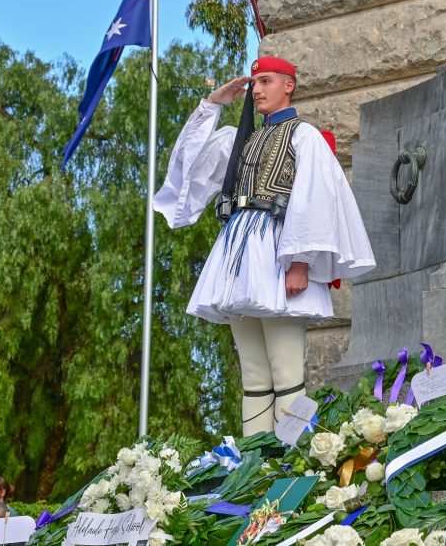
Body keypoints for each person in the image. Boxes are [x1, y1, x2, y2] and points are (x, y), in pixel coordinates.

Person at [155, 57, 375, 435]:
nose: (256, 90)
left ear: (289, 85)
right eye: (254, 83)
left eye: (266, 81)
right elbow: (186, 167)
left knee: (286, 370)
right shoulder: (240, 139)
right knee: (254, 374)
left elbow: (314, 198)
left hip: (279, 252)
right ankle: (254, 465)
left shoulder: (303, 136)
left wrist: (300, 261)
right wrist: (212, 104)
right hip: (237, 259)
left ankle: (292, 460)